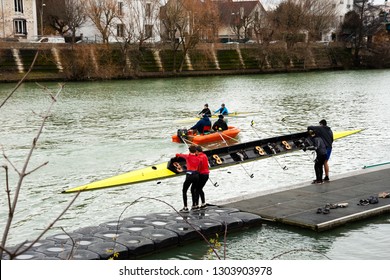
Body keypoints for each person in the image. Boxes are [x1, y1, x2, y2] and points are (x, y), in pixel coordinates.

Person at [176, 145, 201, 212]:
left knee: (184, 190)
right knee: (193, 190)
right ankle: (194, 205)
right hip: (196, 175)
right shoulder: (198, 158)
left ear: (189, 150)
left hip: (190, 175)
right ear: (195, 151)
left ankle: (185, 207)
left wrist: (177, 155)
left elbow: (178, 154)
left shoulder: (187, 156)